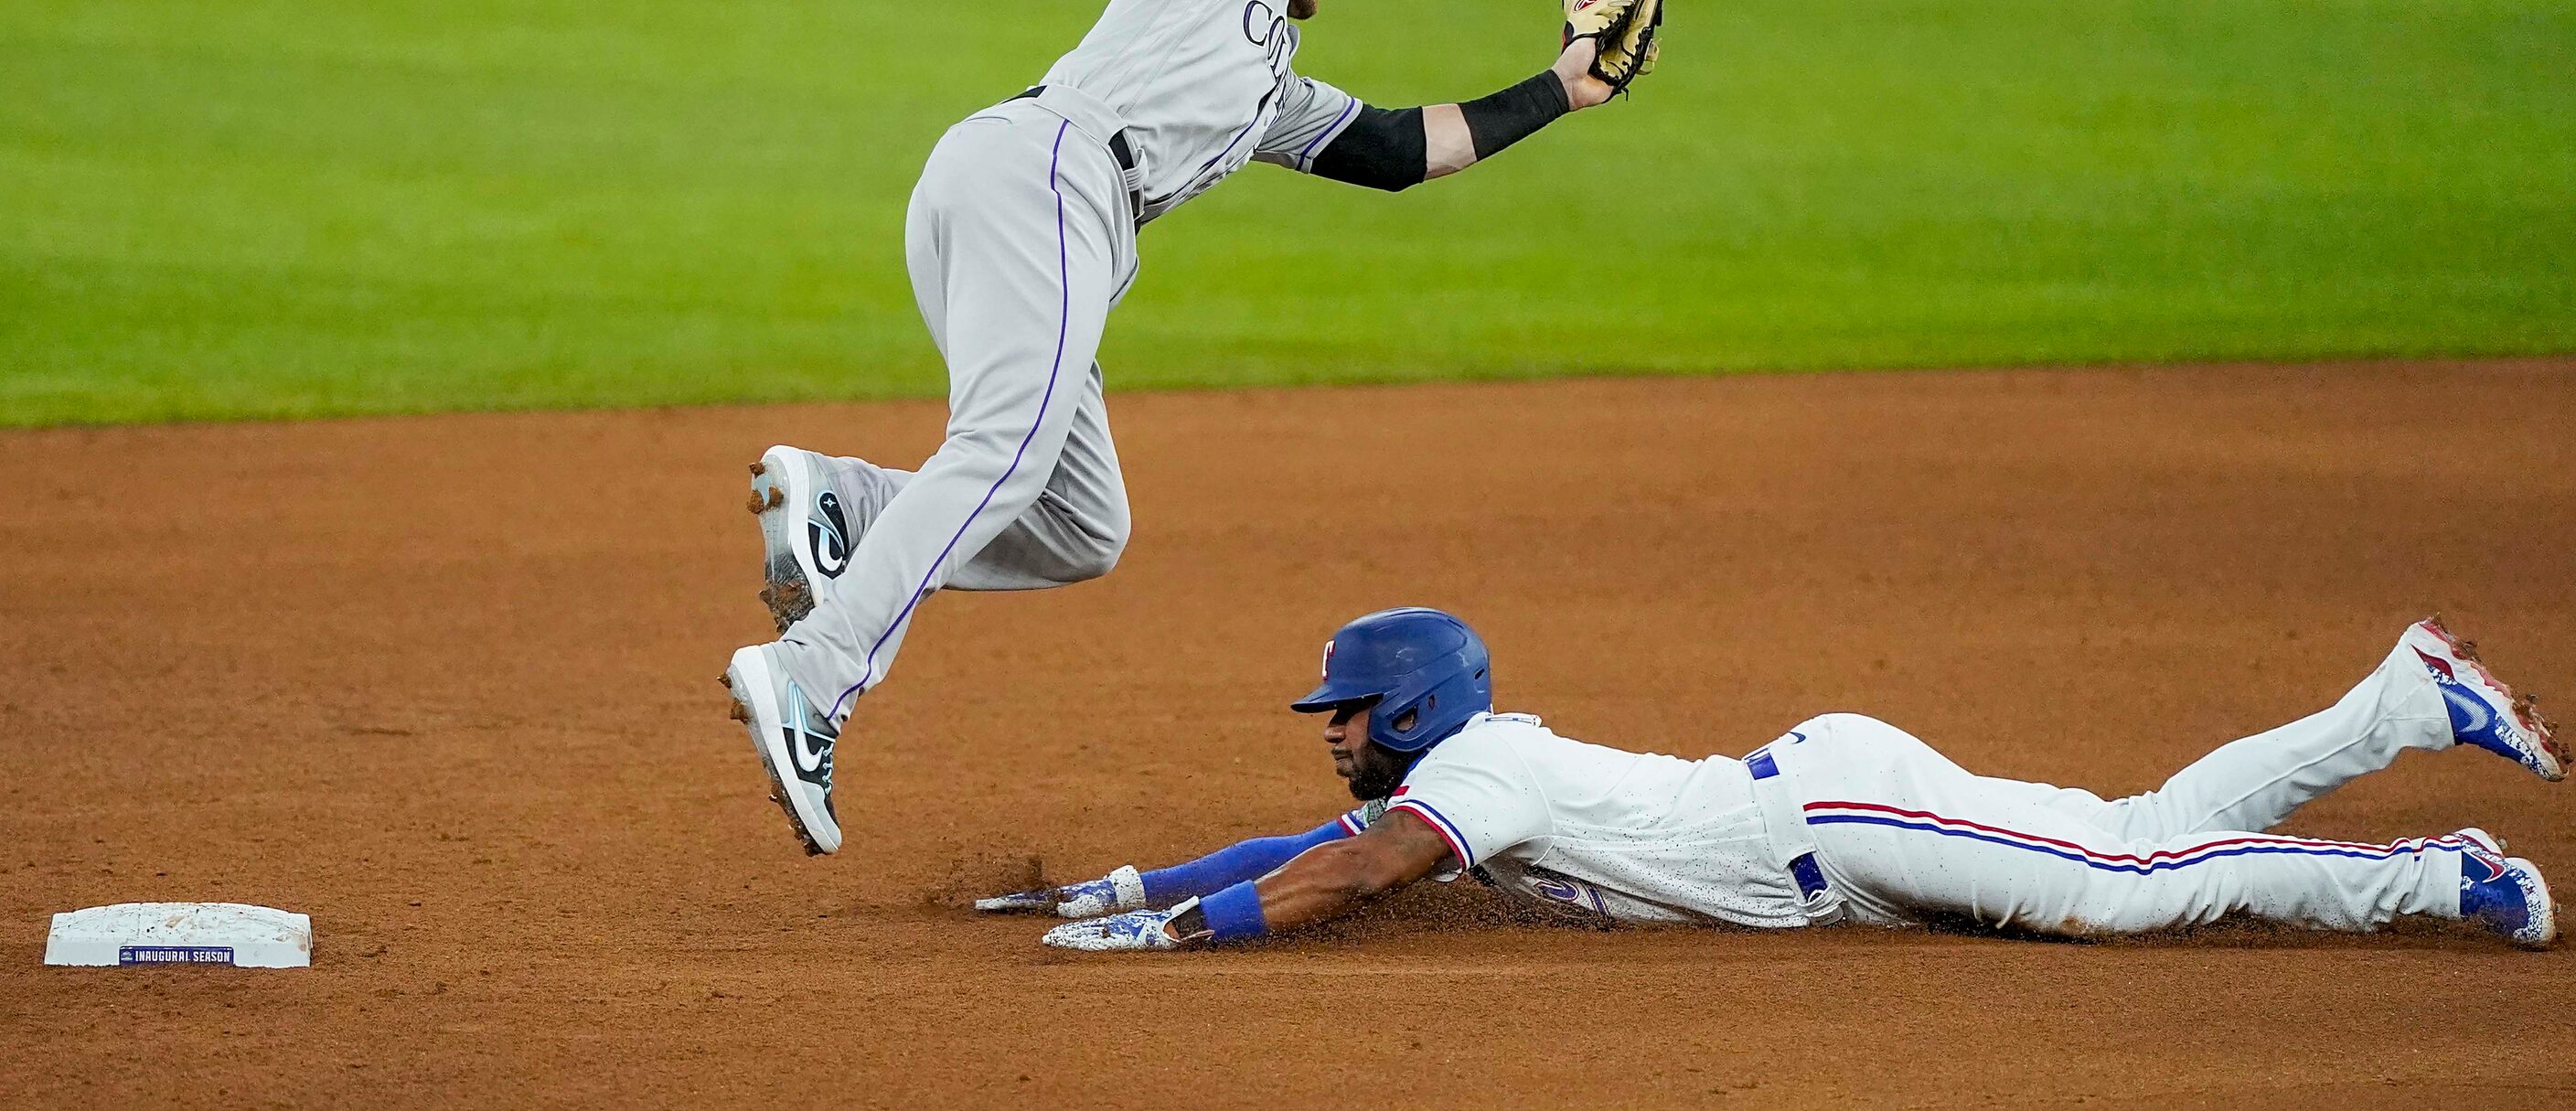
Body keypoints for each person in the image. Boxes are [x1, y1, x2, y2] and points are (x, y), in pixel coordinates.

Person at [724, 0, 1646, 855]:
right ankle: (813, 677)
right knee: (1003, 451)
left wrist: (1563, 88)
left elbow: (1401, 150)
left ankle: (846, 504)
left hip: (1035, 207)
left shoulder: (1271, 90)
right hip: (1045, 176)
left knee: (1080, 526)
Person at [986, 608, 2564, 952]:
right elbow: (1308, 838)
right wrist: (1128, 884)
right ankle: (2396, 697)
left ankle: (2443, 872)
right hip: (1832, 820)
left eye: (1347, 710)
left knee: (2127, 891)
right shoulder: (1464, 766)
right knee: (2139, 832)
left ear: (1408, 706)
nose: (1331, 729)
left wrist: (1187, 942)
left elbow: (1359, 869)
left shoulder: (1477, 771)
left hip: (1832, 816)